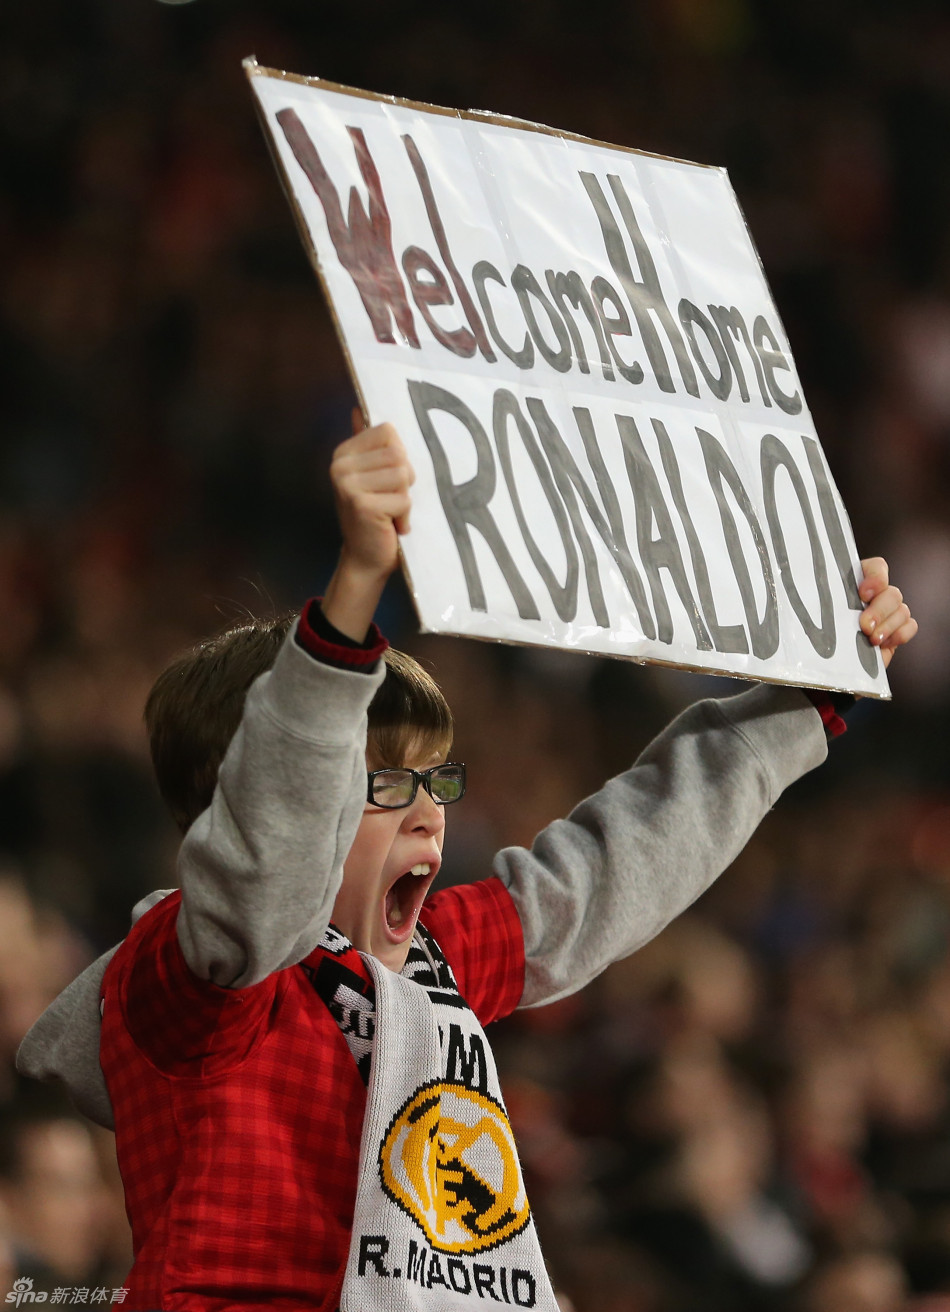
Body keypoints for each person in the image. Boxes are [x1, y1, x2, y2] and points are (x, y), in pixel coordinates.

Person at [17, 420, 918, 1312]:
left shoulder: (432, 960)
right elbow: (267, 862)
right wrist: (353, 594)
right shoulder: (192, 982)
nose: (428, 811)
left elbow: (615, 865)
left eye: (435, 780)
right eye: (379, 786)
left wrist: (804, 697)